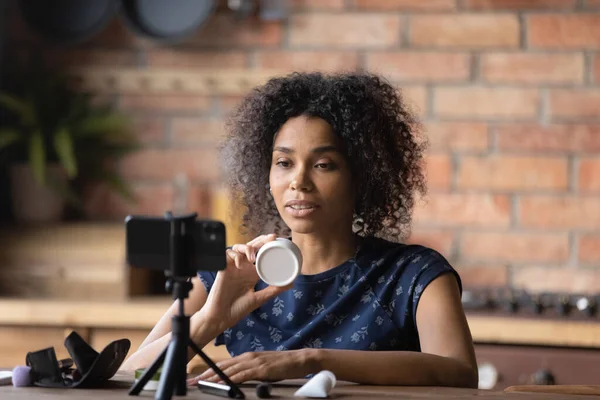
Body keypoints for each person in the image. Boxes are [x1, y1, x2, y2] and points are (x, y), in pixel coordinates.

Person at [121, 71, 478, 388]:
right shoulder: (232, 275)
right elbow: (129, 375)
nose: (299, 182)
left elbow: (459, 371)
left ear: (362, 176)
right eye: (284, 163)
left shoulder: (413, 274)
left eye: (324, 164)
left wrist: (310, 360)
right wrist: (211, 319)